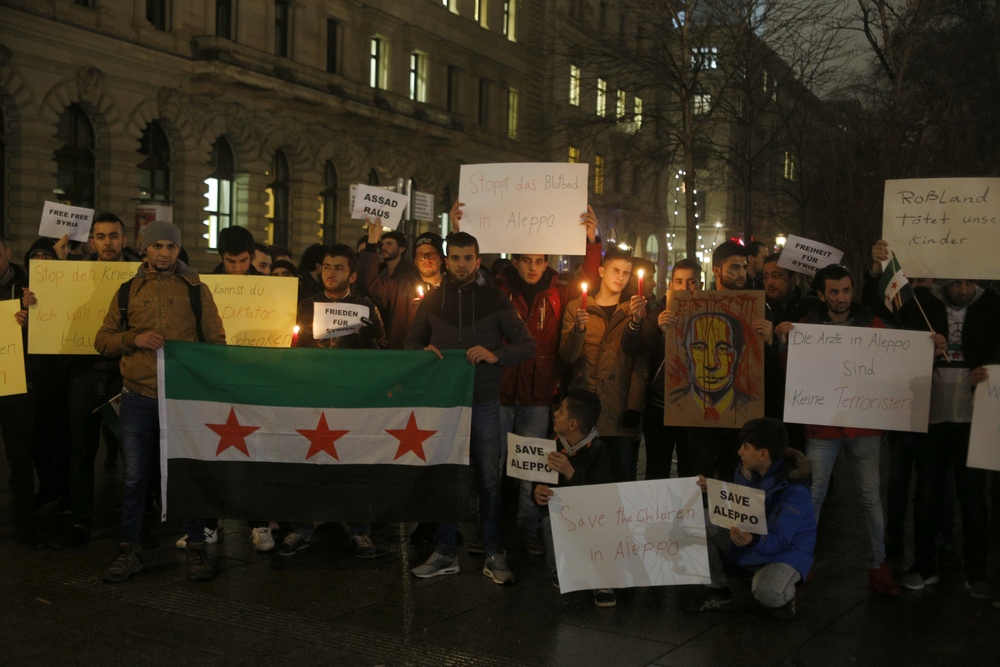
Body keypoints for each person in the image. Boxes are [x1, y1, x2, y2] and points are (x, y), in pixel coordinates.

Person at [94, 221, 226, 583]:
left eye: (171, 246)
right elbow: (102, 340)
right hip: (138, 396)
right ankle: (129, 550)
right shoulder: (128, 291)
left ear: (178, 250)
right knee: (135, 478)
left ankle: (197, 547)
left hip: (183, 399)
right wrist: (133, 338)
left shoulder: (196, 290)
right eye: (157, 246)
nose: (164, 253)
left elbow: (216, 344)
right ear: (144, 249)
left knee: (186, 473)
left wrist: (208, 389)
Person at [867, 242, 1000, 598]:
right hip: (930, 415)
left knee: (973, 498)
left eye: (969, 283)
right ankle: (924, 565)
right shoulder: (922, 304)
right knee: (926, 493)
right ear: (943, 281)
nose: (963, 290)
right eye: (956, 283)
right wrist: (878, 269)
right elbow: (880, 309)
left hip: (974, 417)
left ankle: (977, 571)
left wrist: (991, 369)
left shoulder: (992, 305)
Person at [406, 231, 536, 585]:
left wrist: (496, 355)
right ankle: (445, 551)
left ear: (477, 261)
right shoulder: (433, 300)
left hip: (484, 401)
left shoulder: (495, 299)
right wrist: (422, 352)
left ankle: (494, 552)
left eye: (468, 258)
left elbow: (527, 345)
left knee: (489, 480)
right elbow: (411, 341)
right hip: (445, 405)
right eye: (455, 257)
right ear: (446, 261)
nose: (461, 264)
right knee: (445, 475)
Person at [777, 263, 899, 596]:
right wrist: (785, 343)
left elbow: (893, 362)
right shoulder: (807, 327)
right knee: (813, 497)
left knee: (870, 498)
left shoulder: (871, 323)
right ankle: (803, 561)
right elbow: (792, 372)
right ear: (821, 295)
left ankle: (878, 564)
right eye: (834, 292)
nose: (842, 297)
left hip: (863, 426)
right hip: (823, 427)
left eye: (846, 290)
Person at [25, 213, 141, 549]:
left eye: (114, 236)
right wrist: (36, 301)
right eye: (101, 237)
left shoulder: (139, 276)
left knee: (133, 450)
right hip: (84, 372)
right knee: (81, 451)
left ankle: (135, 521)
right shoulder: (74, 273)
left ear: (123, 240)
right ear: (92, 242)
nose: (108, 243)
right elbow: (54, 310)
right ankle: (80, 521)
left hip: (123, 371)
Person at [490, 206, 602, 555]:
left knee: (532, 468)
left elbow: (590, 277)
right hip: (500, 392)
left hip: (538, 397)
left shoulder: (558, 290)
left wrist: (592, 240)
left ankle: (527, 529)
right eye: (526, 261)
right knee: (493, 466)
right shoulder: (497, 290)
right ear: (515, 261)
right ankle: (490, 531)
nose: (533, 267)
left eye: (539, 261)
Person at [276, 244, 386, 558]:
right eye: (326, 266)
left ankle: (359, 530)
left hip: (352, 398)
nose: (330, 273)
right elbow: (291, 348)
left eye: (338, 268)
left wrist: (368, 342)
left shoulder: (366, 308)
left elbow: (384, 357)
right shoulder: (306, 306)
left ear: (352, 275)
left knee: (354, 464)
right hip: (313, 395)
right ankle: (303, 527)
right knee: (309, 462)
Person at [688, 418, 815, 617]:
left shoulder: (795, 492)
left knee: (769, 592)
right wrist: (714, 489)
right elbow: (740, 503)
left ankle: (784, 596)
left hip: (784, 553)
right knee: (695, 520)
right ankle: (719, 588)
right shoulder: (746, 470)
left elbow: (780, 540)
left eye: (745, 447)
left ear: (763, 454)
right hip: (753, 540)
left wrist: (752, 540)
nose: (740, 452)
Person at [560, 246, 647, 482]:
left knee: (621, 479)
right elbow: (568, 357)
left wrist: (634, 407)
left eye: (626, 273)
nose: (621, 277)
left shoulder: (634, 310)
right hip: (585, 410)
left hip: (619, 410)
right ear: (601, 271)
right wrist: (579, 330)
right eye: (615, 270)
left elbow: (640, 365)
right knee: (583, 481)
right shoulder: (577, 307)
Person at [532, 390, 616, 607]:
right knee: (548, 523)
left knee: (601, 531)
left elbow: (601, 498)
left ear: (572, 424)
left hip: (594, 520)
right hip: (561, 516)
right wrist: (537, 492)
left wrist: (570, 472)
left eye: (560, 411)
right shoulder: (550, 444)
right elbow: (539, 482)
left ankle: (603, 581)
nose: (554, 413)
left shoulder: (600, 451)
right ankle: (562, 569)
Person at [0, 236, 41, 548]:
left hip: (16, 382)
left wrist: (32, 317)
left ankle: (25, 523)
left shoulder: (30, 286)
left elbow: (51, 328)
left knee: (20, 456)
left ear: (7, 252)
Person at [357, 220, 436, 349]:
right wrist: (372, 241)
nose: (426, 259)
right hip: (396, 347)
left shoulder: (409, 278)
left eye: (431, 255)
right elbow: (369, 283)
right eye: (421, 255)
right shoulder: (394, 280)